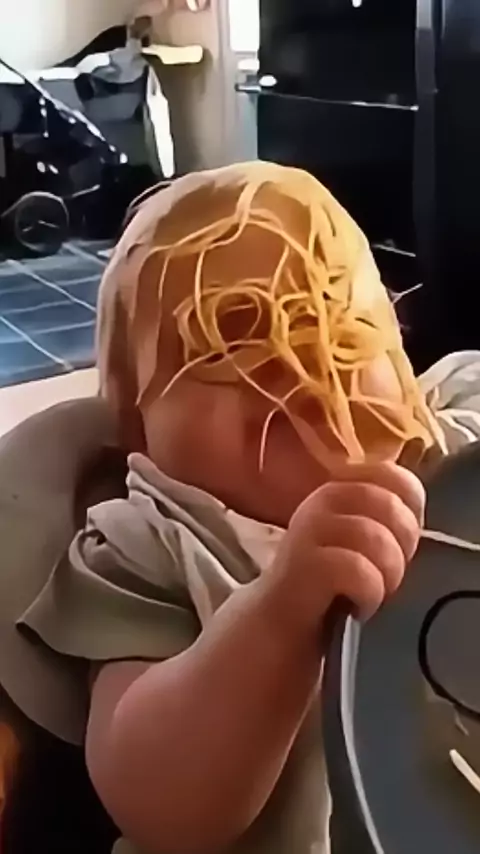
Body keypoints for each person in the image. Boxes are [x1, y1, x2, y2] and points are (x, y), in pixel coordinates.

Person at [9, 162, 445, 854]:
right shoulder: (156, 543)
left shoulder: (451, 466)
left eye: (342, 319)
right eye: (229, 338)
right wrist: (279, 613)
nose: (294, 359)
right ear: (140, 432)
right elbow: (159, 807)